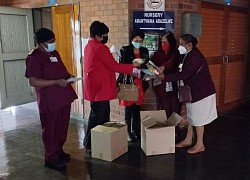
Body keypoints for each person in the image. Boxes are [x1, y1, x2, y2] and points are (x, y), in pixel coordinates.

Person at [83, 21, 141, 153]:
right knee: (99, 117)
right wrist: (132, 67)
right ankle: (91, 143)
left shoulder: (89, 45)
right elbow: (113, 66)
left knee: (99, 116)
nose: (106, 37)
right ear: (98, 36)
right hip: (100, 88)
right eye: (105, 35)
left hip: (96, 87)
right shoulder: (100, 48)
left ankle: (96, 142)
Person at [25, 28, 78, 168]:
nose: (53, 44)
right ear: (41, 43)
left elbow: (61, 70)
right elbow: (33, 81)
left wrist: (69, 77)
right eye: (50, 42)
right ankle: (50, 158)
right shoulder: (34, 57)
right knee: (51, 130)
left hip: (63, 97)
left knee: (62, 127)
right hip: (50, 100)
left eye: (54, 41)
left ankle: (59, 151)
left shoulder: (54, 53)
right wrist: (55, 82)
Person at [157, 34, 218, 154]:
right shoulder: (188, 54)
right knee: (191, 117)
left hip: (201, 93)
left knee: (199, 119)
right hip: (193, 92)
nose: (180, 46)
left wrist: (164, 77)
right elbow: (178, 68)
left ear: (189, 45)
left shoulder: (195, 56)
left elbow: (185, 74)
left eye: (181, 44)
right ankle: (188, 139)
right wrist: (163, 68)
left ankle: (200, 144)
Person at [116, 29, 149, 142]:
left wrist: (148, 72)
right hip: (128, 81)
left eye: (140, 40)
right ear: (131, 40)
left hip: (139, 82)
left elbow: (147, 65)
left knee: (137, 108)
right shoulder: (125, 50)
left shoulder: (145, 50)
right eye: (136, 40)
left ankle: (135, 130)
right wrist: (133, 66)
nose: (138, 42)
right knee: (129, 108)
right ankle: (128, 132)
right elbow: (121, 66)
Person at [151, 31, 181, 118]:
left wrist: (163, 68)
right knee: (165, 108)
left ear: (170, 42)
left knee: (175, 107)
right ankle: (167, 129)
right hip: (161, 86)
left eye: (165, 42)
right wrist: (153, 70)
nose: (163, 44)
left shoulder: (175, 52)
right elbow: (151, 64)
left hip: (173, 83)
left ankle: (175, 130)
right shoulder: (158, 53)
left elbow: (171, 62)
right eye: (162, 42)